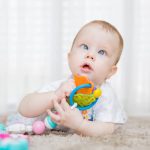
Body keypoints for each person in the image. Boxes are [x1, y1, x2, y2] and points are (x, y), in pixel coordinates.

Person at [18, 20, 127, 136]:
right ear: (70, 58)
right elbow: (24, 108)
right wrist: (55, 95)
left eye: (101, 52)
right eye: (85, 46)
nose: (90, 55)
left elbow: (107, 128)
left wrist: (80, 125)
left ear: (111, 71)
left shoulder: (105, 95)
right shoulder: (63, 87)